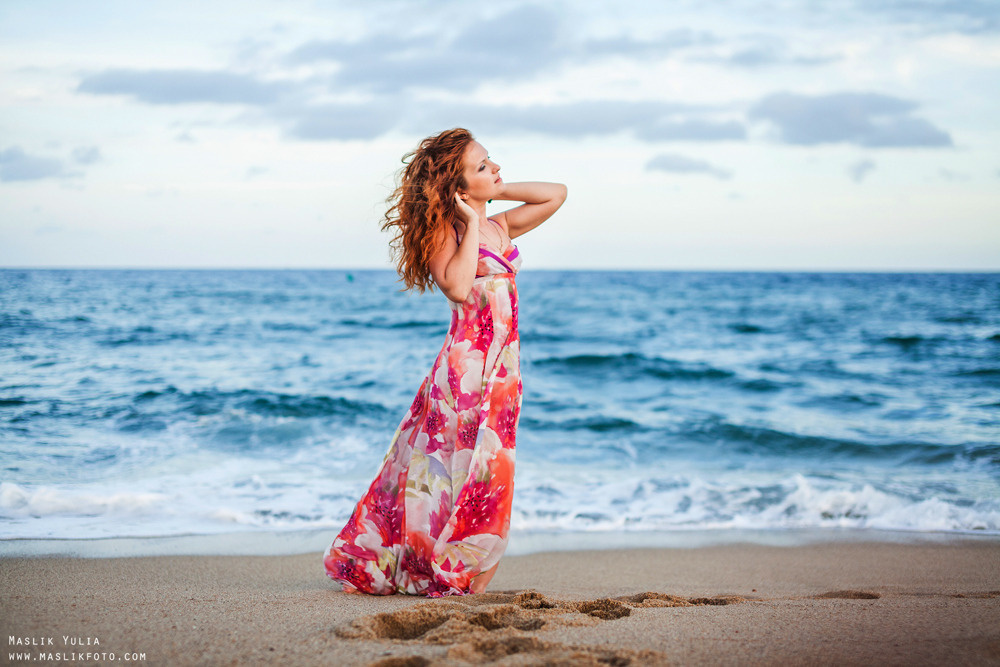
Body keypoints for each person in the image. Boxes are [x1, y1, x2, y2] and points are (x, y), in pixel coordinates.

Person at [323, 128, 567, 597]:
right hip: (463, 374)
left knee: (490, 470)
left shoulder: (503, 225)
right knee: (451, 468)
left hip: (502, 371)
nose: (496, 169)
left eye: (491, 161)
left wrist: (489, 190)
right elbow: (456, 287)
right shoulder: (447, 234)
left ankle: (454, 566)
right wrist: (470, 219)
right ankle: (447, 569)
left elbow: (557, 194)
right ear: (457, 190)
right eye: (483, 166)